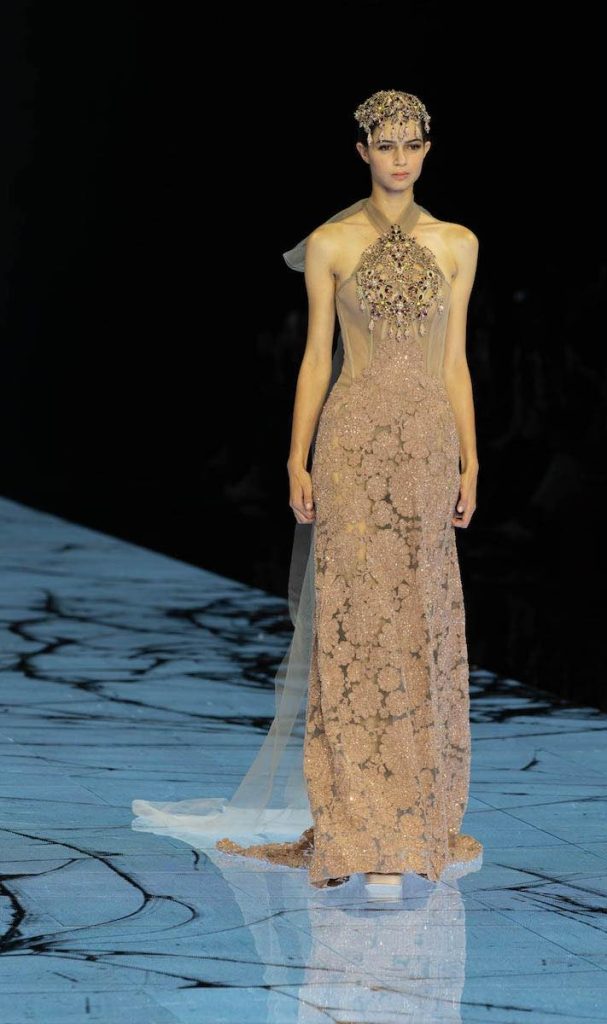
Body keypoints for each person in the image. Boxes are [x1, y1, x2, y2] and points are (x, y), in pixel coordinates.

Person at [131, 88, 483, 899]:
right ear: (361, 150)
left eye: (412, 143)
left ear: (428, 148)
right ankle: (360, 827)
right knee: (355, 625)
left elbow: (454, 360)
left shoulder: (457, 243)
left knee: (419, 622)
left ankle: (411, 821)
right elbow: (317, 357)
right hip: (352, 442)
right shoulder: (330, 242)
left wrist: (470, 459)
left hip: (426, 445)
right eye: (384, 143)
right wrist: (297, 457)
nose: (399, 158)